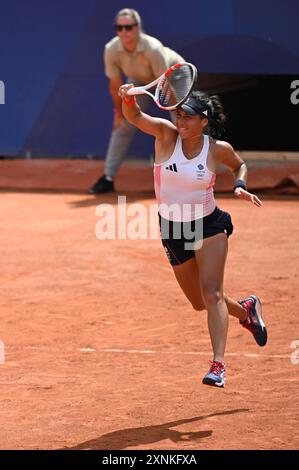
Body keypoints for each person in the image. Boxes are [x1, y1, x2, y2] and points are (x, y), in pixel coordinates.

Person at [118, 85, 268, 388]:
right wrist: (127, 98)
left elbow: (239, 164)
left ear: (204, 120)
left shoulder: (216, 149)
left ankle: (218, 366)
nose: (181, 121)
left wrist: (239, 184)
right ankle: (246, 310)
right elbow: (134, 116)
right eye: (178, 115)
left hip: (208, 226)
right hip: (173, 229)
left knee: (212, 292)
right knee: (200, 302)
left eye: (188, 117)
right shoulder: (164, 135)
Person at [89, 8, 184, 194]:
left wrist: (178, 113)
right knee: (123, 125)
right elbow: (115, 84)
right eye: (119, 28)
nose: (124, 32)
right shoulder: (111, 49)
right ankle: (107, 178)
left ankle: (194, 176)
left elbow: (164, 83)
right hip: (139, 80)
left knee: (184, 125)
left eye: (128, 27)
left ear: (138, 28)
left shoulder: (153, 48)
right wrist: (119, 114)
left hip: (173, 77)